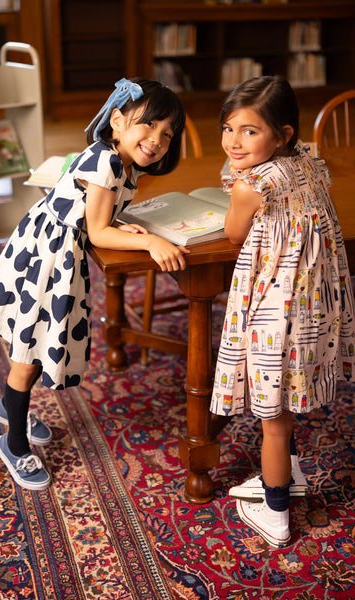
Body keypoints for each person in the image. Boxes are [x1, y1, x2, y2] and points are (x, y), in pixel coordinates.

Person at [0, 78, 189, 491]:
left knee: (36, 343)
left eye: (167, 135)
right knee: (29, 352)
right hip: (47, 261)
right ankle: (14, 444)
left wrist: (129, 228)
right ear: (117, 121)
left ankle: (8, 407)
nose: (157, 140)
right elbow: (98, 232)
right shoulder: (107, 162)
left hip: (54, 254)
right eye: (148, 126)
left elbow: (101, 217)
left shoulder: (120, 164)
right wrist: (150, 242)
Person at [211, 75, 355, 548]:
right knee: (285, 406)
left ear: (283, 134)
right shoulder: (309, 162)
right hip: (313, 304)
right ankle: (286, 476)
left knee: (271, 418)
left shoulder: (255, 183)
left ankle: (275, 512)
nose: (234, 141)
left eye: (249, 131)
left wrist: (237, 184)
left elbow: (233, 233)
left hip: (278, 305)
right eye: (229, 128)